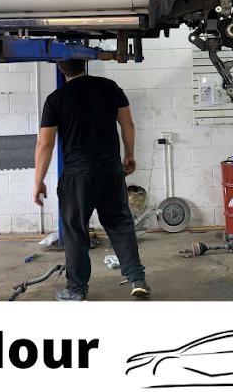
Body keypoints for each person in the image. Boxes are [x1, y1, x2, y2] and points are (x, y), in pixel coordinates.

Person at [33, 59, 150, 301]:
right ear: (85, 62)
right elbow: (127, 124)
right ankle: (137, 279)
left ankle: (76, 290)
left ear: (60, 67)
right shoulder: (110, 87)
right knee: (120, 224)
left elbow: (45, 143)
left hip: (77, 176)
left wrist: (39, 180)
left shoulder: (56, 99)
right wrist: (129, 155)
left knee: (76, 231)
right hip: (110, 171)